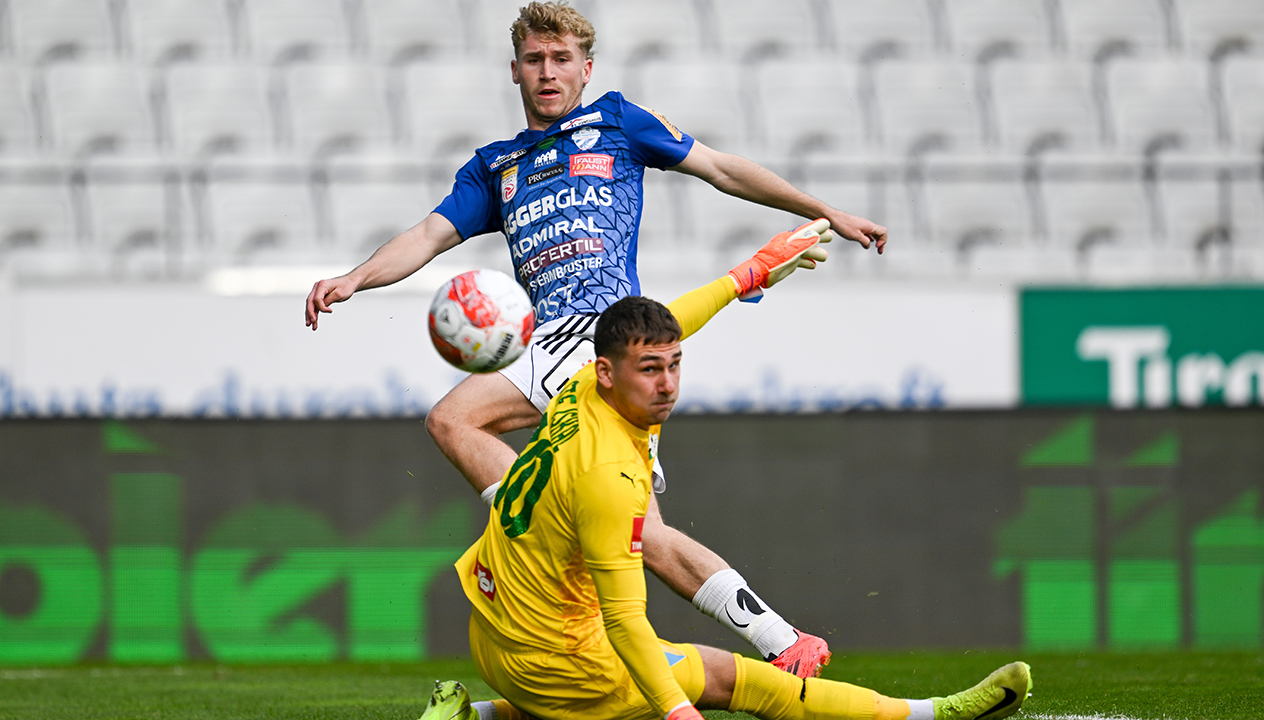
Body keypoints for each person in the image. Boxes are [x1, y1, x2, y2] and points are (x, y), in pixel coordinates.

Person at [304, 0, 887, 676]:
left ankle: (556, 533)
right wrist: (356, 277)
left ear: (585, 69)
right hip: (546, 343)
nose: (547, 72)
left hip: (606, 336)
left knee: (464, 425)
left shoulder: (616, 123)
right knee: (630, 524)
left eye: (560, 60)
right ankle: (784, 641)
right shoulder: (495, 168)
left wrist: (824, 211)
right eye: (534, 60)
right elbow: (429, 235)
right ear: (514, 72)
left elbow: (722, 168)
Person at [419, 229, 1033, 720]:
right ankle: (936, 714)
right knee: (736, 681)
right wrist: (678, 711)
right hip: (554, 660)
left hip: (494, 630)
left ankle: (475, 714)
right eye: (650, 370)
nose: (667, 385)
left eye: (674, 364)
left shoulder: (584, 383)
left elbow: (675, 317)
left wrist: (750, 274)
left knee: (603, 697)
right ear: (609, 372)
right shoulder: (612, 476)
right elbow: (626, 620)